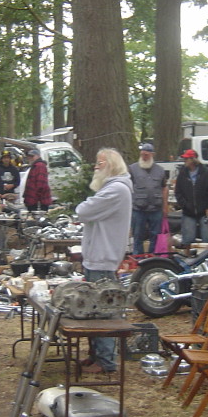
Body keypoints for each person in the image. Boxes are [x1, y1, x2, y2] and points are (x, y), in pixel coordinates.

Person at [76, 148, 133, 374]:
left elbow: (83, 211)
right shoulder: (112, 188)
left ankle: (106, 361)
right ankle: (96, 354)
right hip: (97, 257)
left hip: (103, 258)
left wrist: (88, 207)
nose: (96, 167)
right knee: (93, 310)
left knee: (103, 312)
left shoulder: (116, 190)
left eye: (100, 163)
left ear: (111, 165)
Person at [128, 143, 168, 255]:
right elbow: (127, 187)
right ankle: (138, 258)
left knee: (156, 235)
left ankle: (153, 257)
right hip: (138, 208)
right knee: (138, 235)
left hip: (156, 208)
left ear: (152, 155)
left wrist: (165, 206)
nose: (144, 157)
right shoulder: (132, 169)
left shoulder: (160, 170)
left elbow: (164, 188)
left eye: (146, 154)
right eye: (142, 154)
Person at [174, 148, 208, 246]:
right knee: (188, 240)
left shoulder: (205, 171)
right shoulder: (182, 173)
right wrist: (184, 205)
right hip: (188, 212)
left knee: (207, 238)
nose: (185, 161)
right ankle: (189, 258)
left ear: (193, 159)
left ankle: (207, 258)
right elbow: (178, 191)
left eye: (187, 159)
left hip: (204, 211)